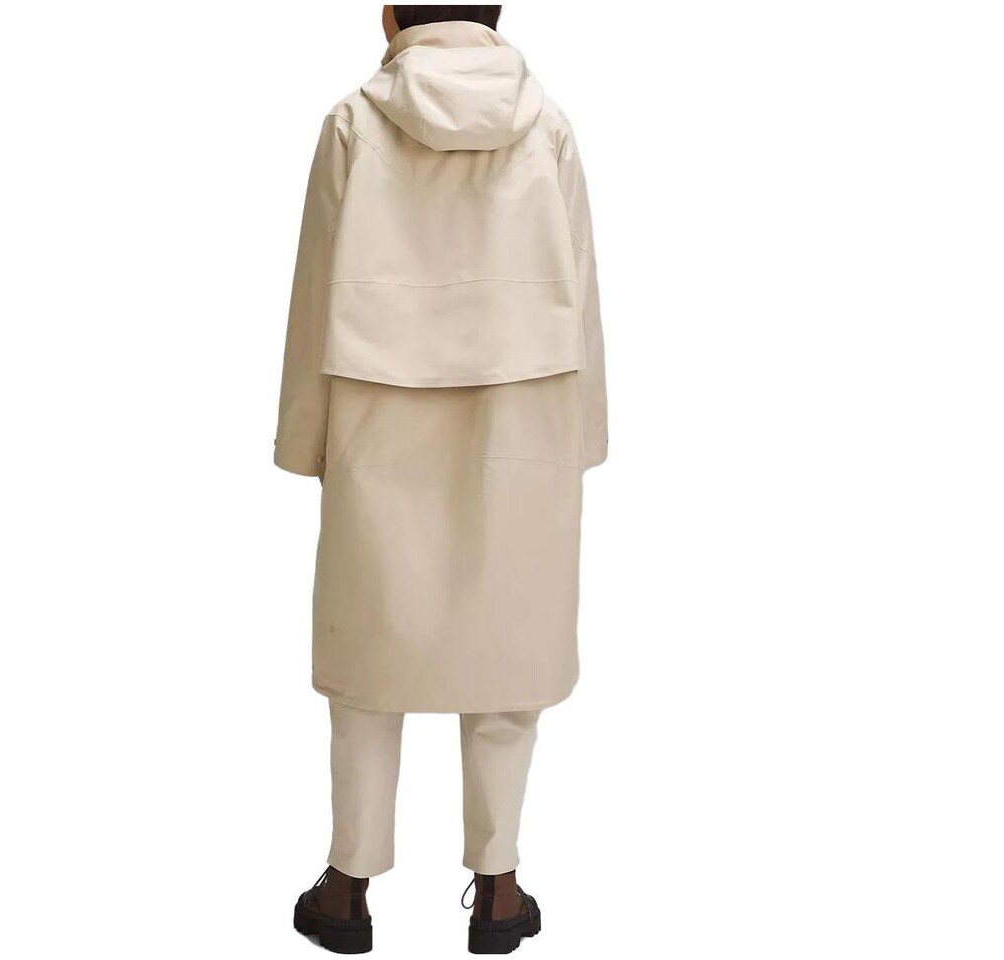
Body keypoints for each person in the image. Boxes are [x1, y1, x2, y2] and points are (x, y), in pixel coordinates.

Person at [275, 5, 607, 953]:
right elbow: (582, 290)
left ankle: (347, 887)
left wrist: (304, 438)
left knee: (368, 642)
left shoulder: (353, 120)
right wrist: (585, 435)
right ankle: (499, 888)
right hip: (525, 407)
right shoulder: (547, 123)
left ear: (391, 14)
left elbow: (314, 290)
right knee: (509, 643)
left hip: (379, 406)